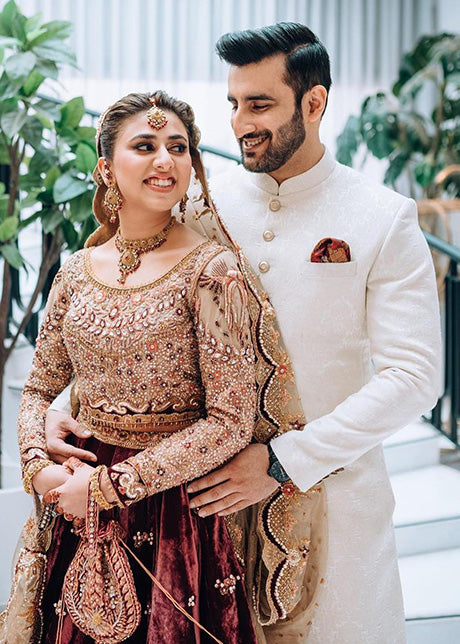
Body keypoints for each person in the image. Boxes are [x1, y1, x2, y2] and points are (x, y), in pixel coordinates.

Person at [45, 23, 442, 644]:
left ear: (313, 103)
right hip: (200, 519)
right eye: (233, 103)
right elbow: (136, 317)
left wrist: (284, 461)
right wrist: (66, 404)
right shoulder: (201, 206)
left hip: (333, 504)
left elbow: (415, 377)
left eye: (259, 105)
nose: (239, 124)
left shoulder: (382, 217)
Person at [15, 90, 261, 644]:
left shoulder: (212, 272)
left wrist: (110, 488)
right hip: (77, 500)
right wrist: (38, 468)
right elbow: (37, 390)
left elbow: (230, 422)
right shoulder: (75, 271)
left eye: (178, 146)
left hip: (174, 511)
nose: (165, 160)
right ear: (106, 168)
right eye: (145, 146)